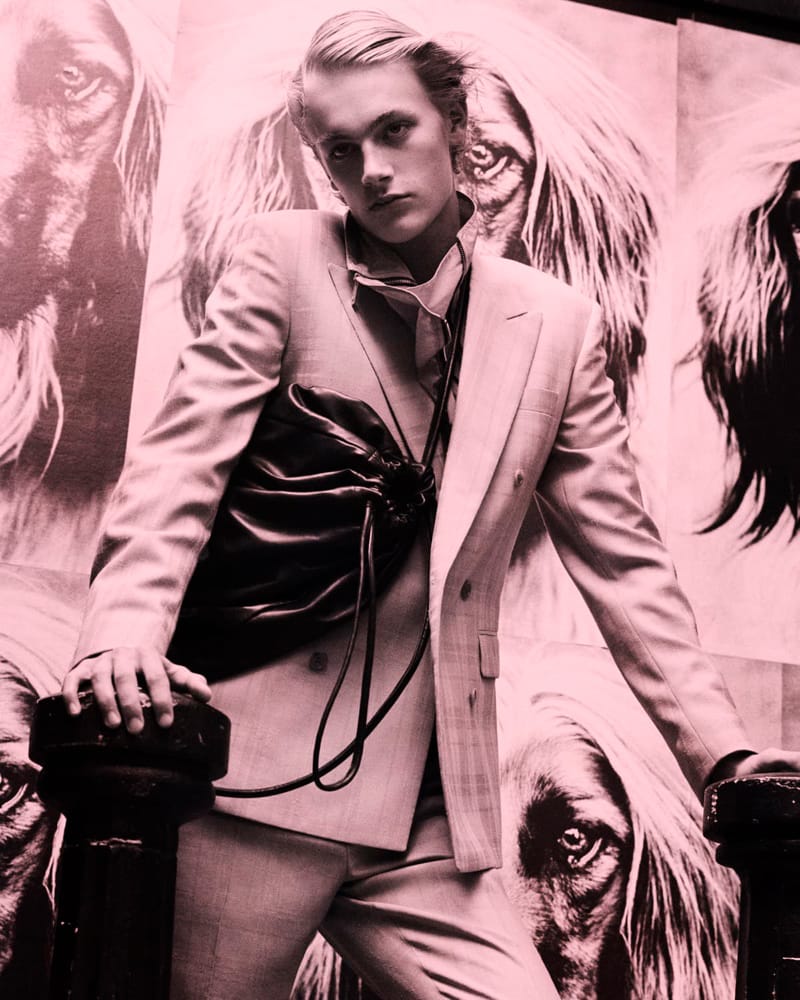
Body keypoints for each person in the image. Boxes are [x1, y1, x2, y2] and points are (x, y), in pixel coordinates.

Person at [61, 11, 800, 999]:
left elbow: (625, 566)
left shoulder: (556, 326)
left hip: (431, 813)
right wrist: (121, 638)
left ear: (455, 131)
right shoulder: (280, 258)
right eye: (339, 150)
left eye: (396, 131)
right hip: (253, 787)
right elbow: (177, 471)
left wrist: (724, 754)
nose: (370, 169)